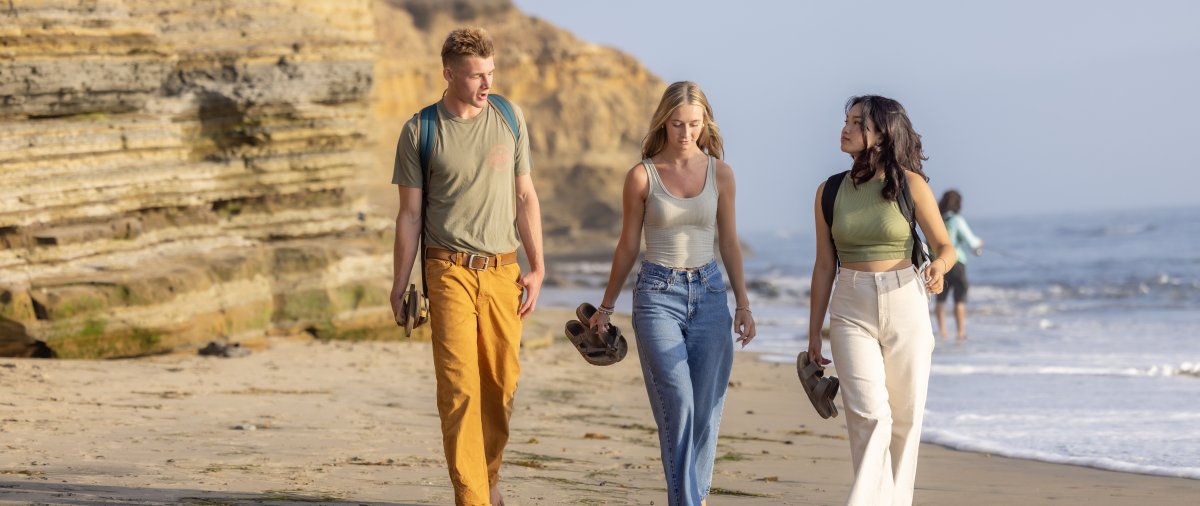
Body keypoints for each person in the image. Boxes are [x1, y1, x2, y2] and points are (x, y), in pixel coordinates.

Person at [390, 27, 544, 506]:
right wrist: (399, 285)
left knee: (500, 388)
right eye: (476, 75)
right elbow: (410, 215)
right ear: (448, 74)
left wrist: (537, 266)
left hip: (503, 271)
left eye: (490, 73)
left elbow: (525, 195)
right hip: (447, 269)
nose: (485, 84)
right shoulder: (420, 130)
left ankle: (488, 480)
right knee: (459, 390)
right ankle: (472, 498)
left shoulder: (509, 116)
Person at [588, 81, 755, 506]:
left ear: (705, 123)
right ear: (664, 122)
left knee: (706, 409)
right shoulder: (642, 176)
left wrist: (744, 304)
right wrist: (606, 307)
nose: (686, 133)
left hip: (711, 294)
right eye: (678, 124)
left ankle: (690, 500)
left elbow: (730, 243)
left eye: (694, 124)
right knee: (678, 402)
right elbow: (627, 245)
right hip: (657, 295)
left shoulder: (722, 174)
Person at [807, 95, 955, 506]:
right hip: (850, 306)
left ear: (882, 134)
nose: (846, 128)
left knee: (905, 420)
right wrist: (813, 336)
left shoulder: (911, 184)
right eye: (847, 120)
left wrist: (939, 267)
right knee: (870, 416)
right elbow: (823, 266)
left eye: (858, 122)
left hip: (906, 298)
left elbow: (946, 246)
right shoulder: (828, 191)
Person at [935, 190, 984, 342]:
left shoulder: (938, 220)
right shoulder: (957, 220)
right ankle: (960, 332)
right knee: (959, 299)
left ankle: (942, 331)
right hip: (957, 263)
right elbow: (972, 242)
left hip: (940, 263)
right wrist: (979, 244)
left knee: (940, 299)